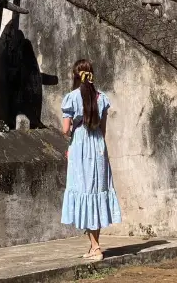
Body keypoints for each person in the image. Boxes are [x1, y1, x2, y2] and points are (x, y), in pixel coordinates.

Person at [61, 58, 121, 261]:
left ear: (75, 76)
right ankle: (94, 245)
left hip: (80, 146)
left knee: (84, 191)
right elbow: (102, 130)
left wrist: (73, 138)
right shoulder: (101, 98)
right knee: (96, 193)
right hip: (98, 148)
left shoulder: (72, 97)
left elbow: (65, 130)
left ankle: (96, 248)